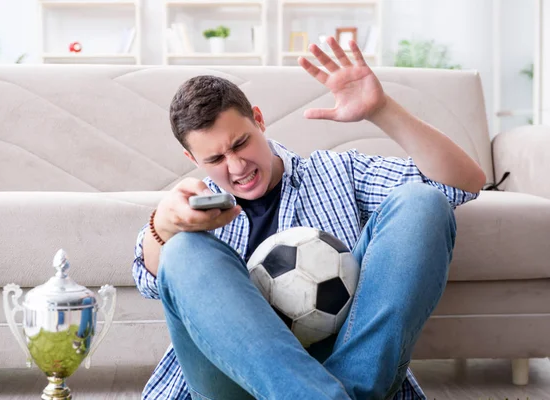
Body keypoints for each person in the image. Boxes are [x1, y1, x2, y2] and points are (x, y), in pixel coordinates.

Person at [131, 37, 486, 400]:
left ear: (258, 119)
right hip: (233, 380)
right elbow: (148, 281)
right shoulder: (191, 206)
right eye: (215, 159)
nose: (237, 167)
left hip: (346, 364)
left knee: (422, 202)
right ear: (193, 161)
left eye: (240, 144)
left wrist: (381, 110)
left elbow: (463, 184)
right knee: (183, 251)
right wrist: (165, 227)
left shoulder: (336, 171)